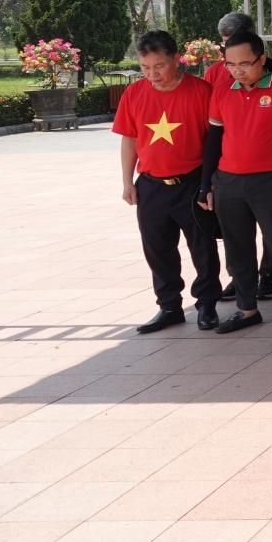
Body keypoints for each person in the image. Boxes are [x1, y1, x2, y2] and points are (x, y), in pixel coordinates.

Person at [198, 30, 272, 334]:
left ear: (262, 59)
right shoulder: (221, 92)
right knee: (236, 249)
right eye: (231, 64)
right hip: (228, 182)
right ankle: (247, 309)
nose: (238, 70)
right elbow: (213, 141)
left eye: (245, 63)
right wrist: (205, 184)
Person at [115, 31, 221, 334]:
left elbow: (215, 141)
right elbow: (129, 138)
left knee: (202, 246)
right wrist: (127, 181)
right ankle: (170, 306)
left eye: (159, 66)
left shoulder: (201, 92)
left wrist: (209, 184)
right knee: (157, 248)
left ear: (177, 59)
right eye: (146, 68)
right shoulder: (134, 93)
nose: (153, 75)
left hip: (192, 182)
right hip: (150, 184)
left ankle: (207, 304)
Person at [207, 11, 272, 301]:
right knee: (236, 236)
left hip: (270, 173)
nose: (236, 68)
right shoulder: (216, 73)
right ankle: (241, 281)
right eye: (225, 43)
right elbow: (214, 128)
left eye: (234, 40)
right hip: (230, 173)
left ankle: (268, 275)